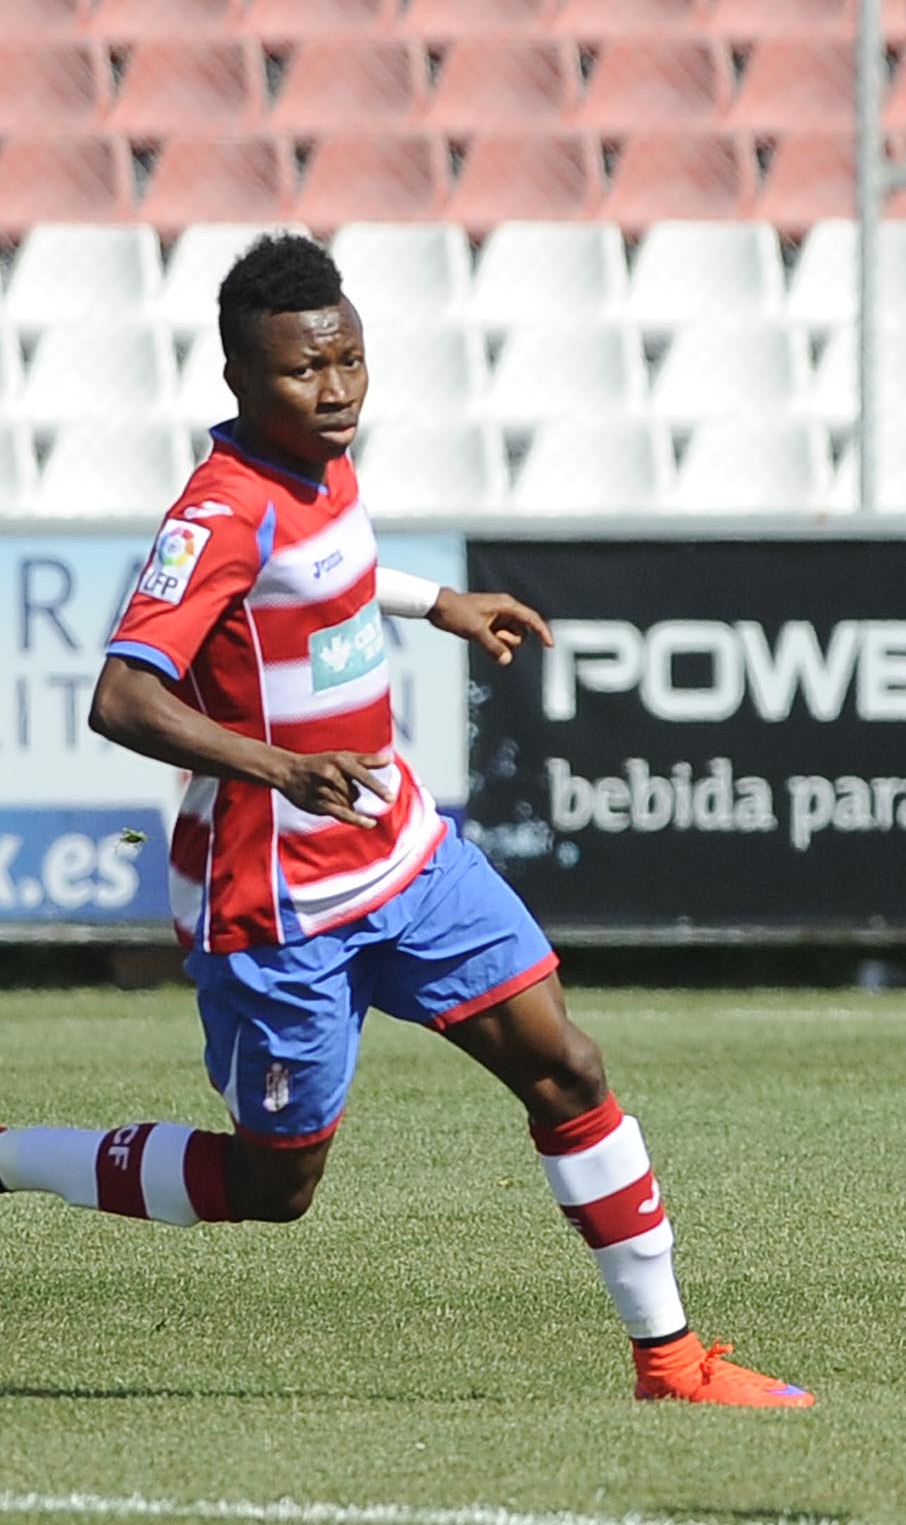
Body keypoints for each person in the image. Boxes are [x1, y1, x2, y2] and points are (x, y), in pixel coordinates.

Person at [0, 234, 811, 1410]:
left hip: (401, 846)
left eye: (350, 362)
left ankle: (671, 1362)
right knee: (276, 1186)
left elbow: (326, 571)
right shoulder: (217, 511)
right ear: (239, 381)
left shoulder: (326, 465)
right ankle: (14, 1155)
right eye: (302, 372)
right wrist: (276, 765)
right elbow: (123, 697)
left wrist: (438, 603)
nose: (334, 391)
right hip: (278, 897)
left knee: (567, 1066)